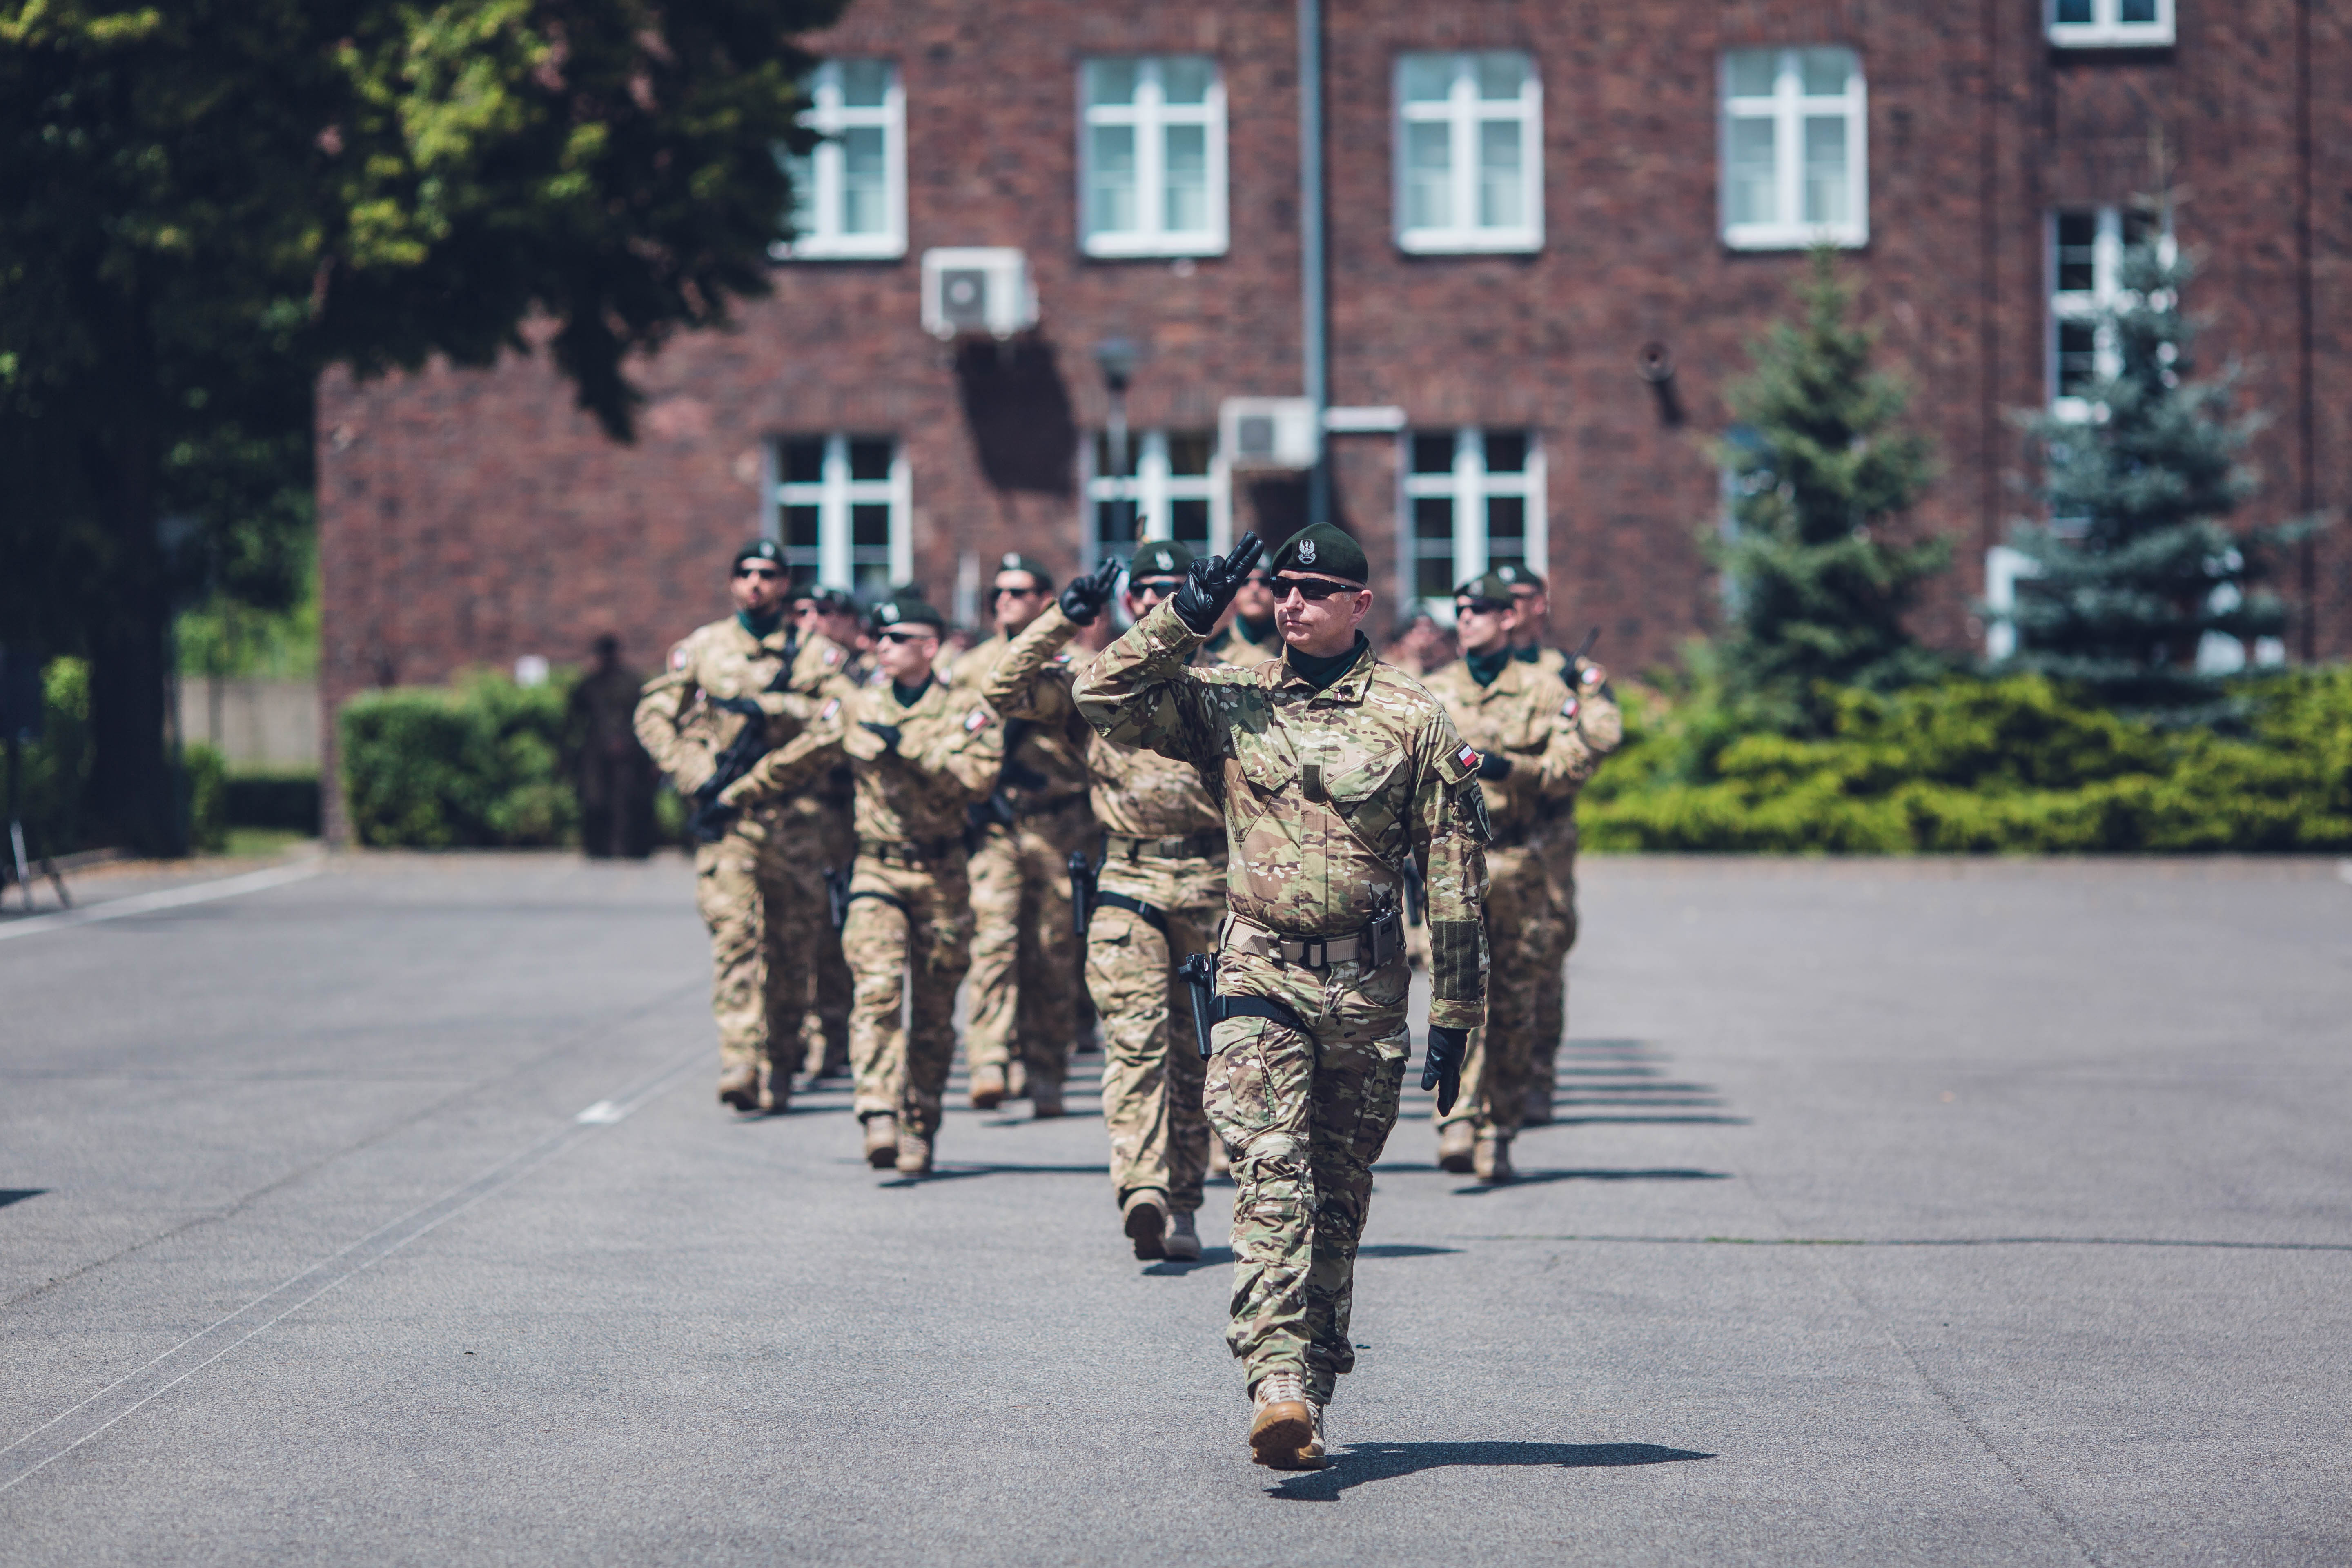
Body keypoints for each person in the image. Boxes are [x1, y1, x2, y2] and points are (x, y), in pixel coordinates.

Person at [1073, 523, 1490, 1472]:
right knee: (1270, 1175)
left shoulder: (1413, 717)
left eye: (1312, 588)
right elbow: (1101, 693)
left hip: (1367, 983)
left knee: (1336, 1199)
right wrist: (1186, 613)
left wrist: (1459, 1014)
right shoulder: (1231, 699)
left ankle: (1311, 1368)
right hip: (1257, 971)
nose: (1290, 600)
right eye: (1280, 586)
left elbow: (1457, 876)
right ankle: (1276, 1384)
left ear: (1358, 604)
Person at [983, 542, 1223, 1262]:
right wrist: (1061, 617)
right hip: (1129, 882)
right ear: (1128, 603)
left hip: (1213, 886)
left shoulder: (1229, 682)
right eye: (1143, 591)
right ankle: (1142, 1187)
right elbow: (1002, 689)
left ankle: (1184, 1201)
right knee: (1135, 1041)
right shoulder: (1092, 686)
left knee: (1199, 1054)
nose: (1155, 602)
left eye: (1172, 590)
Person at [712, 596, 1001, 1176]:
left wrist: (907, 746)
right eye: (878, 636)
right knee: (877, 989)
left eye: (897, 637)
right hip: (877, 870)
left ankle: (921, 1123)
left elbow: (977, 779)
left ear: (929, 646)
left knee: (935, 1012)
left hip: (942, 873)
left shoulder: (968, 709)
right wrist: (731, 796)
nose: (882, 646)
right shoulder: (857, 705)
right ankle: (878, 1112)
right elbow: (799, 758)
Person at [633, 541, 851, 1114]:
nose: (756, 584)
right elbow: (654, 714)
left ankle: (782, 1060)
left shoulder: (814, 654)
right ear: (733, 584)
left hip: (796, 822)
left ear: (786, 585)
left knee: (792, 949)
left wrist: (777, 733)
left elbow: (840, 721)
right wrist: (694, 773)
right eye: (746, 574)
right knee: (735, 940)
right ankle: (740, 1060)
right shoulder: (703, 648)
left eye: (769, 575)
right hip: (728, 823)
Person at [1419, 574, 1600, 1183]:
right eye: (1462, 608)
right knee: (1458, 993)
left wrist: (1506, 768)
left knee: (1517, 1000)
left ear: (1508, 619)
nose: (1468, 618)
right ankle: (1458, 1119)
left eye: (1482, 610)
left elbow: (1572, 766)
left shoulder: (1547, 691)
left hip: (1520, 860)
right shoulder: (1433, 690)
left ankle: (1501, 1126)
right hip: (1454, 861)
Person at [948, 553, 1096, 1117]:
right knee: (993, 942)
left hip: (1060, 823)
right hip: (994, 824)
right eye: (999, 593)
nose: (1005, 601)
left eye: (1019, 591)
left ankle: (1046, 1068)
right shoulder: (967, 666)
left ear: (1045, 601)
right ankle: (988, 1059)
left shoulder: (1075, 663)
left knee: (1052, 951)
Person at [1489, 562, 1623, 1126]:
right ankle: (1489, 1083)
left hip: (1547, 832)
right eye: (1503, 597)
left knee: (1545, 953)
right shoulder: (1474, 670)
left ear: (1542, 603)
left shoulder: (1568, 672)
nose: (1511, 606)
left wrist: (1578, 697)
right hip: (1489, 834)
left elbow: (1605, 736)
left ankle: (1538, 1074)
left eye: (1521, 596)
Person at [793, 587, 863, 1084]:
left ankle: (833, 1034)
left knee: (836, 928)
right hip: (792, 815)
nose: (813, 621)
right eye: (803, 612)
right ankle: (789, 1035)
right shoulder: (784, 669)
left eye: (824, 612)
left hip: (844, 817)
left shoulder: (860, 674)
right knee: (787, 929)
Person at [566, 634, 657, 858]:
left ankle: (628, 848)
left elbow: (644, 717)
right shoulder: (590, 684)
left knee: (628, 801)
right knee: (596, 800)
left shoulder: (631, 683)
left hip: (630, 753)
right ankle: (599, 848)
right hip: (596, 753)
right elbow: (573, 718)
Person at [1205, 558, 1282, 666]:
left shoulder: (1293, 642)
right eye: (1245, 582)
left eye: (1264, 582)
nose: (1255, 589)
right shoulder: (1214, 640)